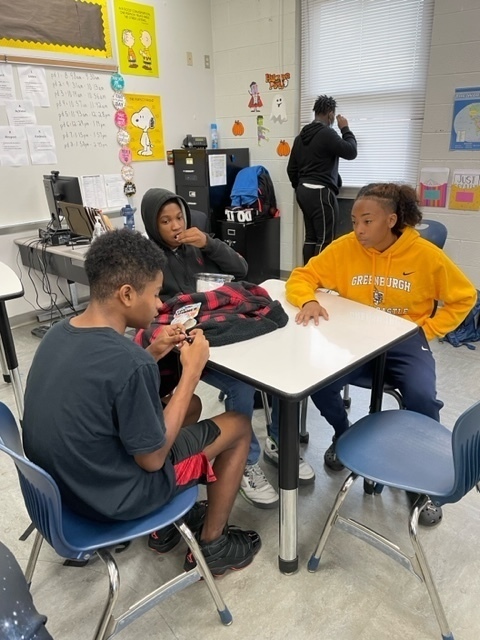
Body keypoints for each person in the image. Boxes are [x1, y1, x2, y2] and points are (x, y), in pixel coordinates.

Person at [22, 230, 261, 575]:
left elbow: (110, 382)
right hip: (113, 500)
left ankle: (166, 531)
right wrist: (191, 371)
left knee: (190, 405)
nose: (161, 305)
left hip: (62, 493)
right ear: (127, 294)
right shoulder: (130, 362)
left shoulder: (58, 332)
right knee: (237, 425)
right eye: (155, 293)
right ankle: (214, 545)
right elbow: (152, 460)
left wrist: (153, 352)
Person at [283, 182, 477, 526]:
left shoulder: (425, 255)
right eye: (355, 221)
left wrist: (428, 329)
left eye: (367, 221)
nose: (358, 229)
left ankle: (421, 474)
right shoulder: (345, 248)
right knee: (318, 383)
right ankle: (343, 433)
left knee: (421, 394)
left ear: (391, 220)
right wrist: (308, 299)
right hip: (354, 341)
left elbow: (464, 297)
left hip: (404, 342)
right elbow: (302, 276)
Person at [140, 188, 316, 508]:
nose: (176, 226)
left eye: (179, 217)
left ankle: (278, 441)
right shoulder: (148, 259)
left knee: (278, 366)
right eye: (165, 221)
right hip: (188, 345)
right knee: (240, 385)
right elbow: (158, 314)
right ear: (153, 225)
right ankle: (246, 459)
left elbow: (242, 269)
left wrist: (208, 243)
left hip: (223, 327)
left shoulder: (197, 245)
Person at [287, 94, 357, 264]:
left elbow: (291, 169)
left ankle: (307, 274)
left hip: (303, 191)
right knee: (325, 239)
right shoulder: (327, 134)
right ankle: (319, 276)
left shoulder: (300, 137)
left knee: (311, 237)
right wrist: (345, 129)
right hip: (320, 192)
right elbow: (351, 152)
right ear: (331, 114)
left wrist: (301, 186)